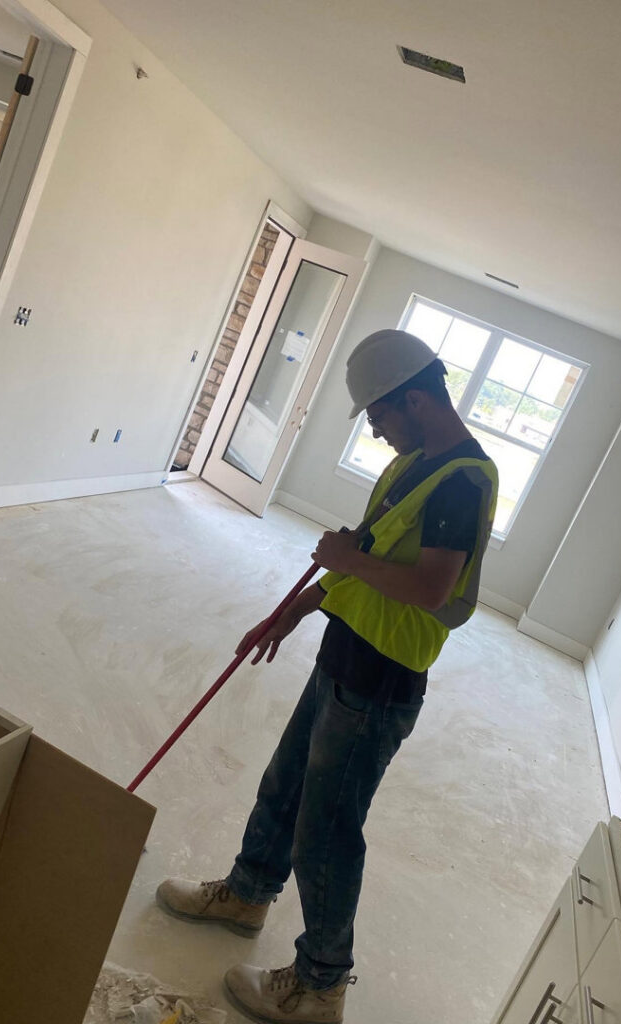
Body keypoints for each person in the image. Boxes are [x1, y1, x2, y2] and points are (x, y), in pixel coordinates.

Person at [156, 330, 498, 1023]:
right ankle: (248, 894)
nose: (373, 430)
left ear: (413, 399)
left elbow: (430, 588)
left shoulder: (461, 479)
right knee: (284, 787)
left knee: (328, 830)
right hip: (344, 656)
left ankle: (319, 984)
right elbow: (359, 561)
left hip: (380, 684)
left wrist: (344, 555)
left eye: (377, 415)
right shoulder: (413, 465)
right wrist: (286, 614)